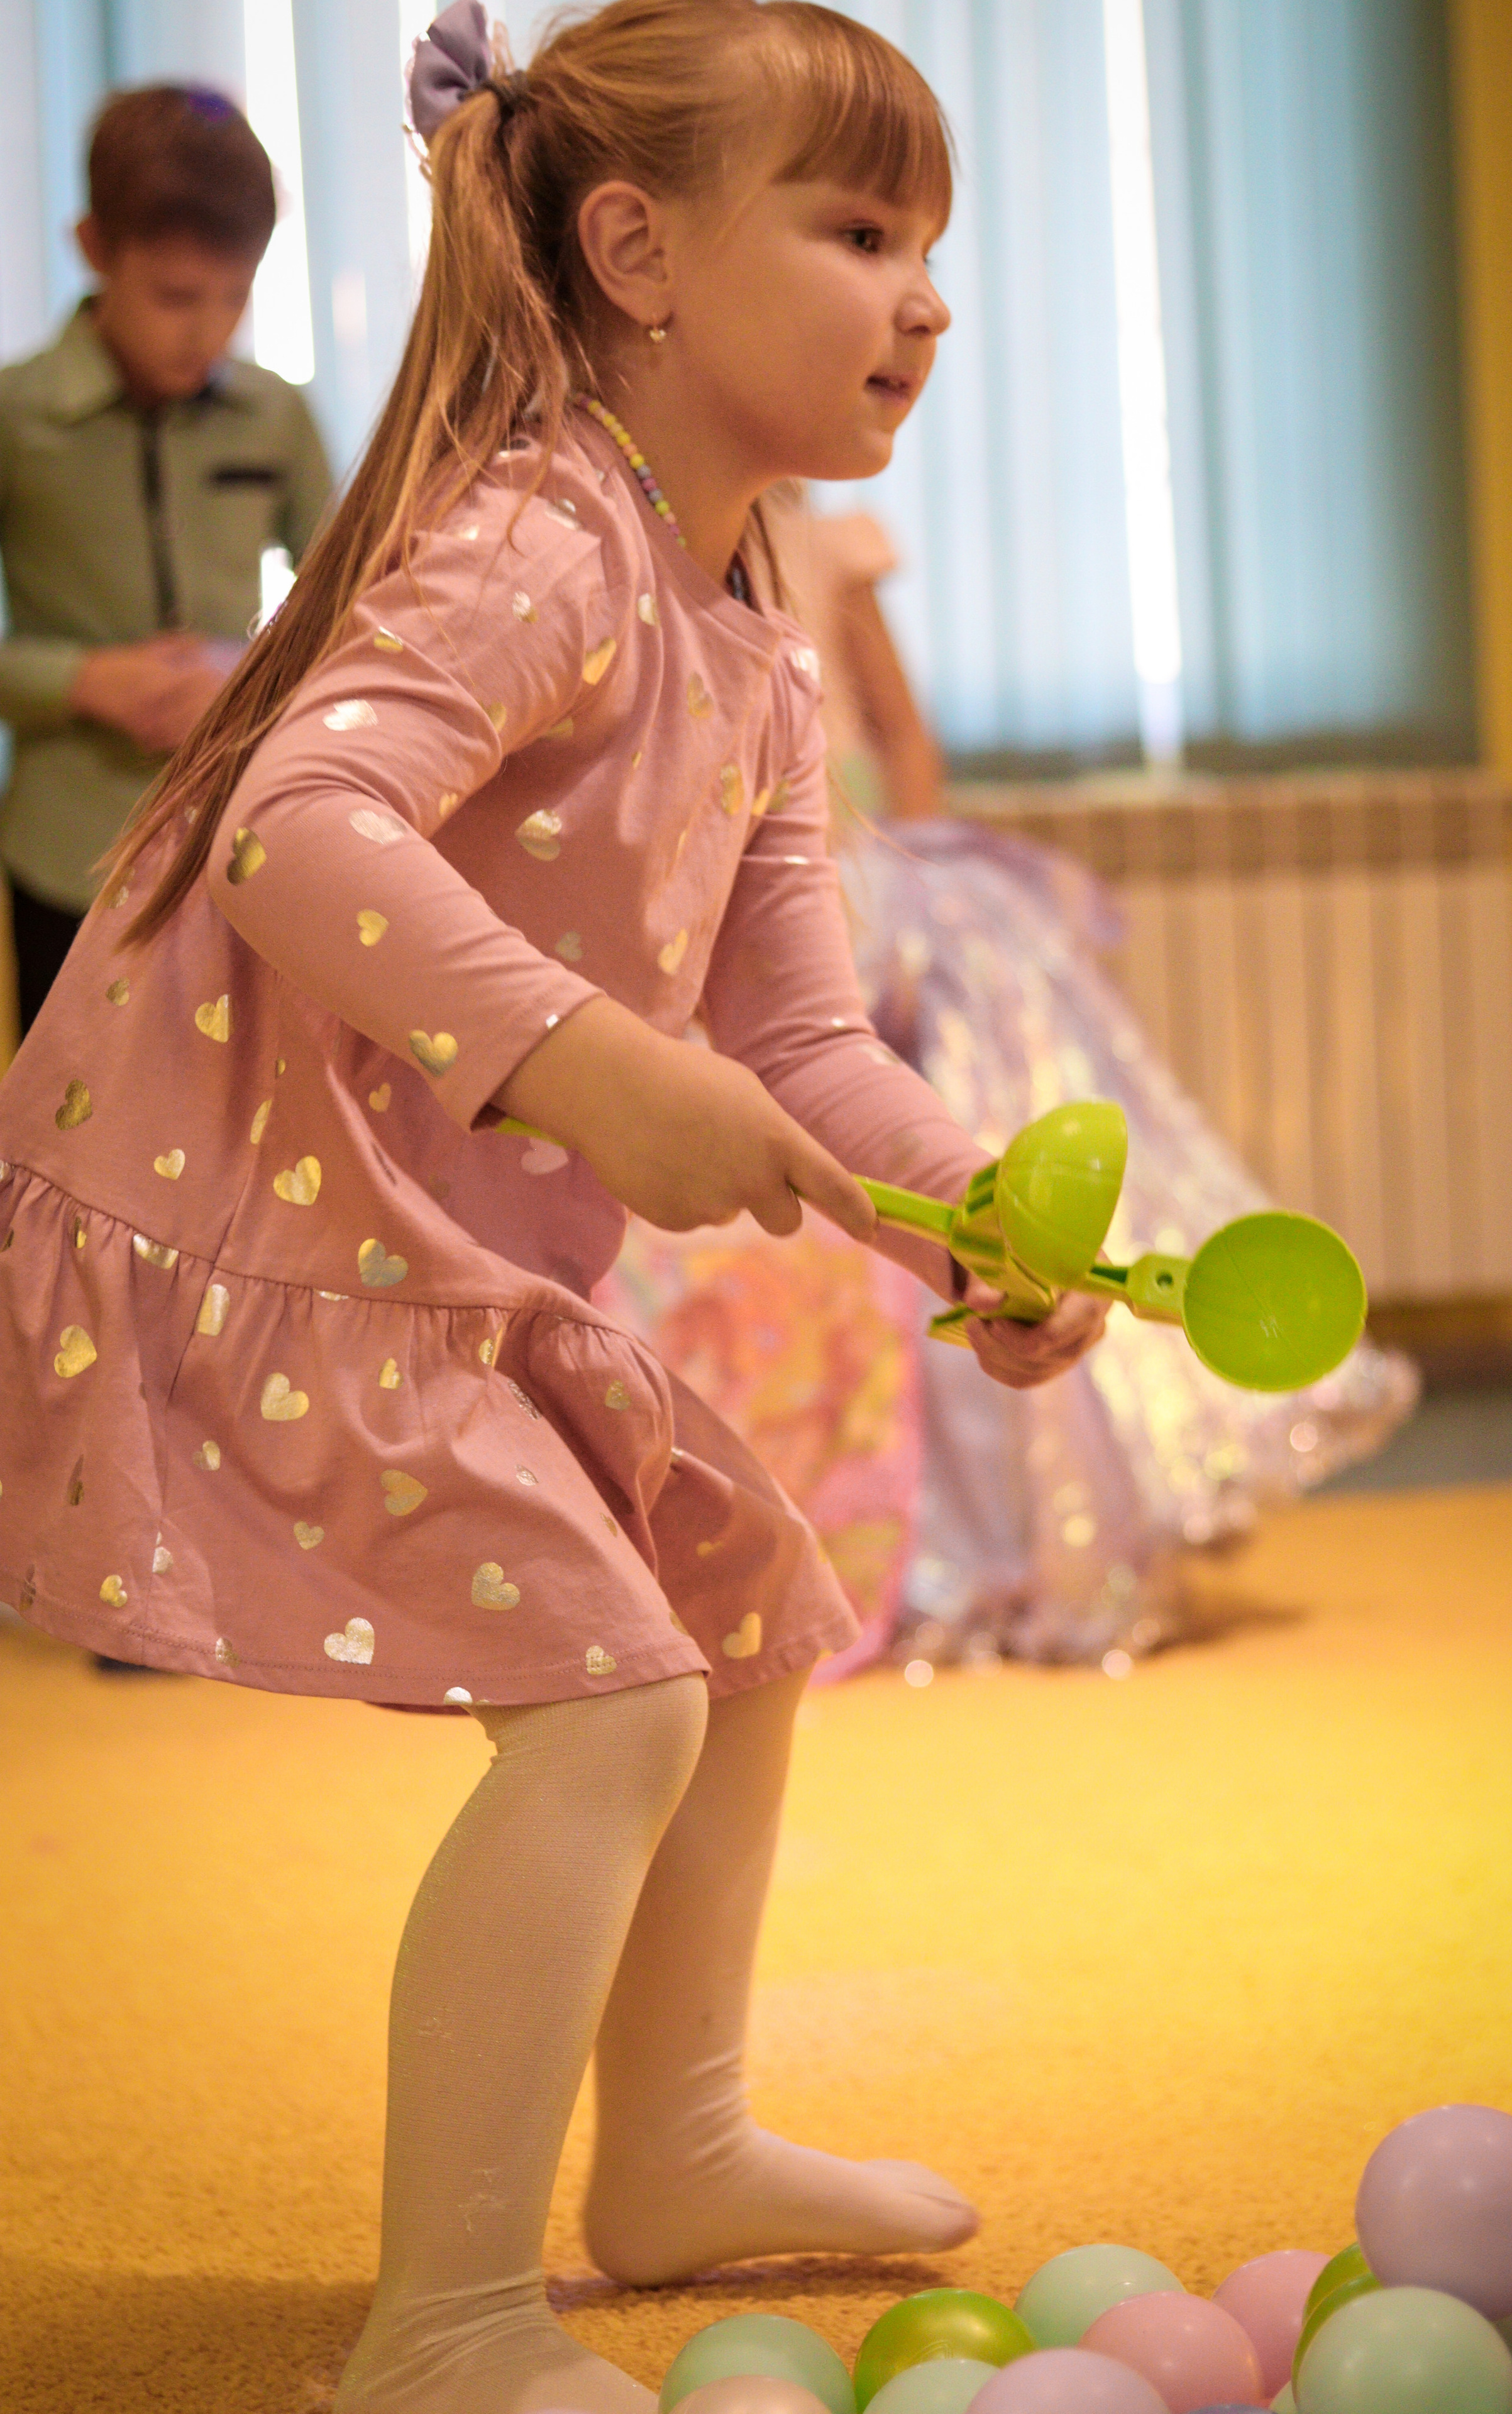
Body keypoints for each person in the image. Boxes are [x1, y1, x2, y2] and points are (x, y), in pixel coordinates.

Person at [0, 6, 1108, 2410]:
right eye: (862, 232)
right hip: (279, 1233)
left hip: (453, 1256)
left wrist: (981, 1231)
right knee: (612, 1711)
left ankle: (675, 2142)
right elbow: (296, 827)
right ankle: (449, 2326)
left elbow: (806, 1045)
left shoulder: (755, 646)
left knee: (734, 1618)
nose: (927, 298)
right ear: (637, 251)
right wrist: (591, 1068)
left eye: (930, 245)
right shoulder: (537, 538)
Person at [606, 493, 1417, 1671]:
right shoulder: (594, 560)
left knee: (986, 1054)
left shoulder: (825, 557)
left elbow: (902, 740)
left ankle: (1022, 1527)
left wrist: (902, 875)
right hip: (723, 931)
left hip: (850, 883)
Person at [0, 82, 332, 1040]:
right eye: (177, 296)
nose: (209, 331)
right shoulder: (16, 418)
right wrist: (82, 681)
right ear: (95, 248)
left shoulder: (277, 415)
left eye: (237, 296)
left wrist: (245, 674)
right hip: (65, 859)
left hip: (239, 849)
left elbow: (362, 614)